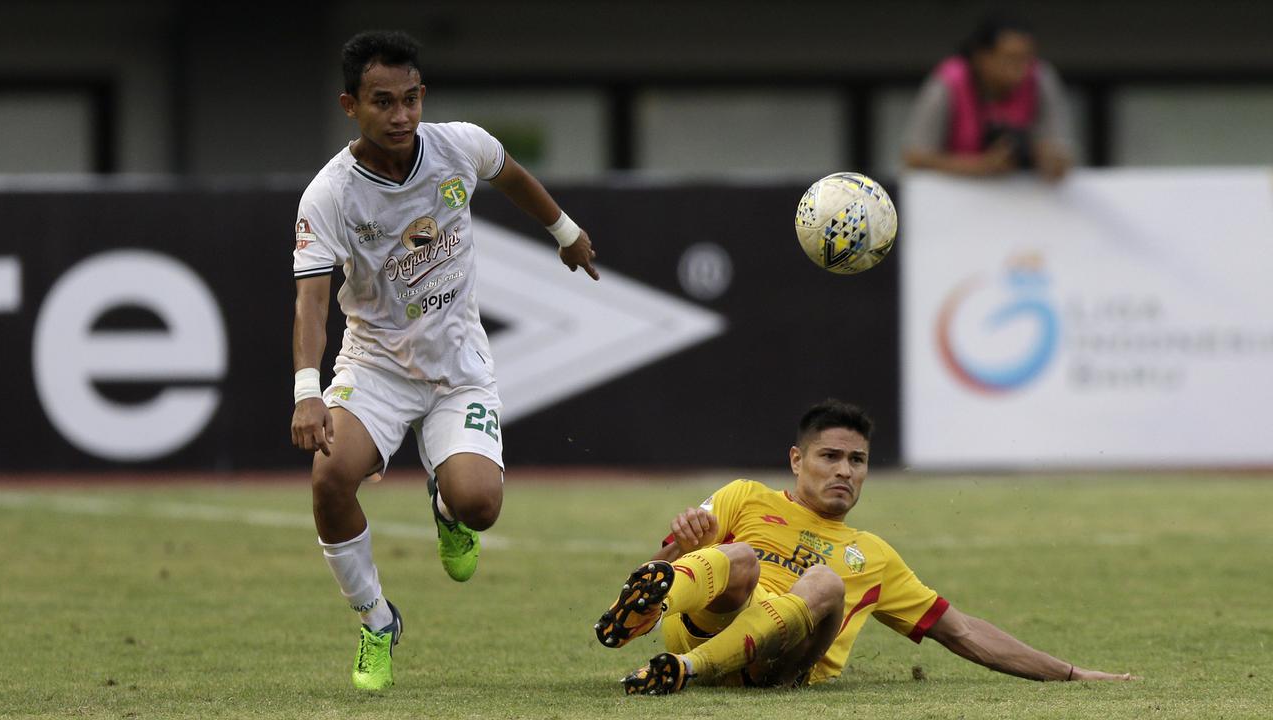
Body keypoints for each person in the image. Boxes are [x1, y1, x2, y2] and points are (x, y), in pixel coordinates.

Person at [290, 30, 599, 691]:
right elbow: (311, 302)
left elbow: (511, 174)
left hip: (459, 368)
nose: (400, 116)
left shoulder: (459, 145)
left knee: (480, 504)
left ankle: (448, 506)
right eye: (383, 102)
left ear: (422, 95)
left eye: (410, 99)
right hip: (374, 367)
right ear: (351, 105)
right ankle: (376, 622)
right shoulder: (330, 196)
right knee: (328, 479)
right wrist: (306, 391)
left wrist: (565, 233)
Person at [594, 399, 1134, 694]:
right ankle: (657, 633)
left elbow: (963, 632)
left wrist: (1069, 672)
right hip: (700, 626)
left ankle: (683, 673)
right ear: (796, 460)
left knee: (825, 583)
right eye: (829, 456)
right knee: (739, 558)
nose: (844, 471)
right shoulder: (744, 497)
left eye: (857, 461)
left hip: (779, 665)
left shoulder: (873, 555)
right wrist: (677, 548)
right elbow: (656, 566)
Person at [901, 14, 1075, 181]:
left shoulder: (1040, 78)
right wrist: (981, 166)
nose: (1020, 69)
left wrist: (1045, 157)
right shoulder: (948, 82)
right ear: (981, 56)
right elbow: (913, 158)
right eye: (1010, 58)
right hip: (953, 201)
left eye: (1026, 59)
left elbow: (1062, 151)